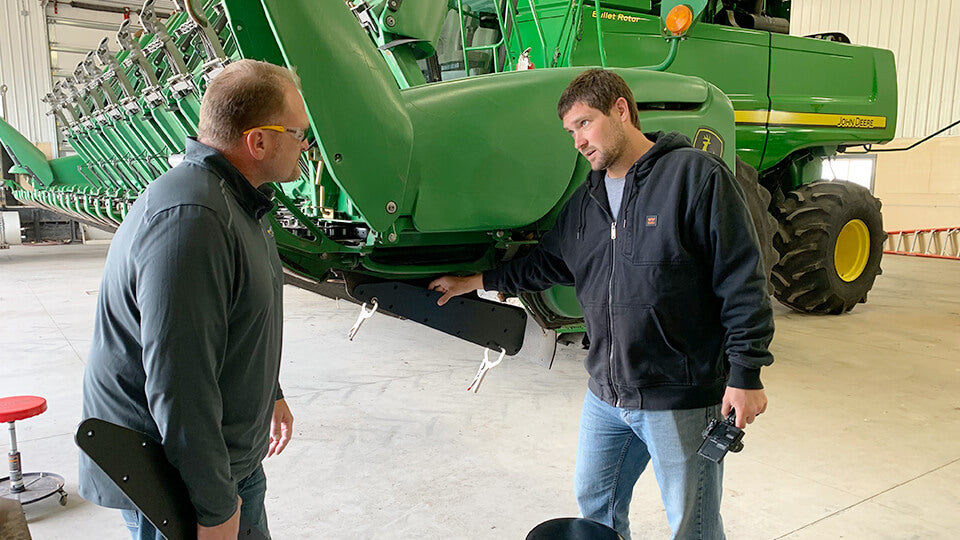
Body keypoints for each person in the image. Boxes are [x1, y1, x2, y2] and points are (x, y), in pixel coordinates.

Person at [428, 69, 774, 540]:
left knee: (692, 526)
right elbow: (547, 263)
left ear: (621, 110)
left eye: (584, 124)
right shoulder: (587, 200)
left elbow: (742, 280)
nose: (577, 141)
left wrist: (746, 372)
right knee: (596, 506)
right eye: (571, 132)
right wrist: (478, 280)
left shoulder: (694, 177)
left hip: (679, 395)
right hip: (607, 394)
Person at [79, 59, 309, 540]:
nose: (305, 146)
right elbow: (179, 385)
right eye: (298, 133)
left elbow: (239, 317)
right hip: (178, 480)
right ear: (259, 140)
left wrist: (272, 392)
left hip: (227, 460)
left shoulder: (240, 200)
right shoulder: (194, 218)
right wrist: (215, 508)